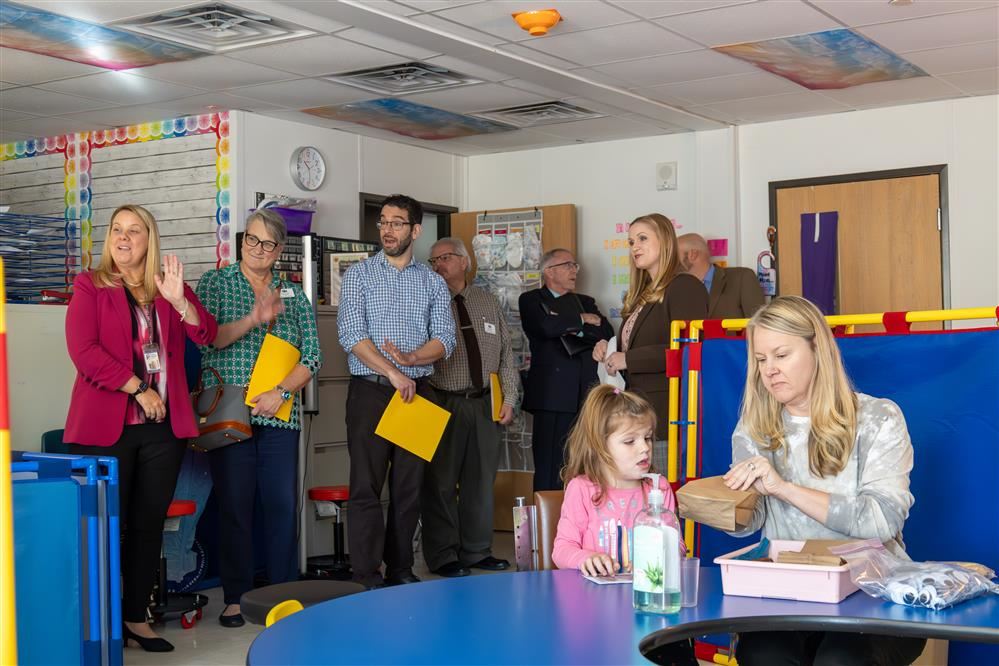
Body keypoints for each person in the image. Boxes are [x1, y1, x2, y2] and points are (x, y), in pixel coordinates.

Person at [723, 295, 925, 666]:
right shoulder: (753, 429)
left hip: (872, 595)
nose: (770, 371)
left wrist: (783, 488)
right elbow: (746, 524)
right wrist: (719, 503)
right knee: (763, 656)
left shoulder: (878, 418)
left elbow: (882, 521)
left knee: (839, 660)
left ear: (817, 347)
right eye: (761, 360)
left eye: (781, 355)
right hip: (786, 596)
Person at [64, 204, 217, 652]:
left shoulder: (166, 288)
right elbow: (84, 351)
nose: (123, 238)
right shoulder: (90, 285)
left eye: (134, 230)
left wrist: (179, 301)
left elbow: (205, 333)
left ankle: (136, 620)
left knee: (149, 526)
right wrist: (137, 388)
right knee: (107, 528)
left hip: (162, 431)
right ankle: (100, 622)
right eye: (116, 230)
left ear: (150, 240)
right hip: (105, 428)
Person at [196, 209, 322, 627]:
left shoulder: (294, 295)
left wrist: (280, 392)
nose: (258, 250)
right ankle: (236, 597)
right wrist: (254, 318)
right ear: (242, 241)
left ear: (279, 250)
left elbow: (313, 357)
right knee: (235, 506)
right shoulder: (217, 282)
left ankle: (283, 594)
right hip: (229, 413)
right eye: (252, 240)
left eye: (268, 244)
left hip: (279, 416)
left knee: (282, 506)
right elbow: (210, 337)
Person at [337, 194, 456, 589]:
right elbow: (352, 336)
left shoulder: (433, 282)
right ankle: (366, 576)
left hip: (417, 395)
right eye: (383, 222)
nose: (387, 230)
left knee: (409, 488)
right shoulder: (358, 275)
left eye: (397, 223)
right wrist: (394, 371)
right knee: (366, 487)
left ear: (415, 230)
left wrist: (412, 356)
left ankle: (401, 569)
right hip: (370, 392)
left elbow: (445, 340)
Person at [553, 385, 697, 666]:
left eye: (647, 438)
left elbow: (678, 545)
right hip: (594, 615)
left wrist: (662, 556)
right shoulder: (582, 489)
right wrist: (586, 557)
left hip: (653, 613)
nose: (645, 448)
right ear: (599, 445)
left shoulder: (659, 488)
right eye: (630, 441)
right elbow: (562, 549)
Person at [422, 238, 519, 577]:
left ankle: (477, 551)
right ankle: (443, 555)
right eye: (433, 260)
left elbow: (507, 355)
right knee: (441, 483)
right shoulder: (427, 300)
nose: (438, 265)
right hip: (442, 400)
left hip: (483, 403)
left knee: (480, 481)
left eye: (445, 258)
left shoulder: (486, 301)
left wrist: (509, 398)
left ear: (465, 261)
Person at [593, 214, 708, 473]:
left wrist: (629, 359)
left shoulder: (683, 286)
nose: (635, 247)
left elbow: (689, 350)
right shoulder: (642, 294)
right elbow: (636, 345)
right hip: (637, 415)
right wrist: (609, 348)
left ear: (665, 241)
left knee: (664, 500)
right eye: (631, 241)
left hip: (668, 415)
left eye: (643, 239)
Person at [519, 248, 613, 492]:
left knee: (584, 464)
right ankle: (547, 526)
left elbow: (606, 334)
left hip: (586, 393)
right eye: (568, 265)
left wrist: (572, 326)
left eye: (575, 265)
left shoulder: (587, 300)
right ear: (549, 271)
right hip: (552, 397)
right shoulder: (531, 300)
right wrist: (581, 320)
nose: (574, 270)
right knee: (550, 468)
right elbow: (546, 327)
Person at [678, 233, 765, 320]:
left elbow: (760, 325)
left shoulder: (742, 278)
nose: (670, 261)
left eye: (674, 255)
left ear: (692, 254)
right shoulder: (678, 289)